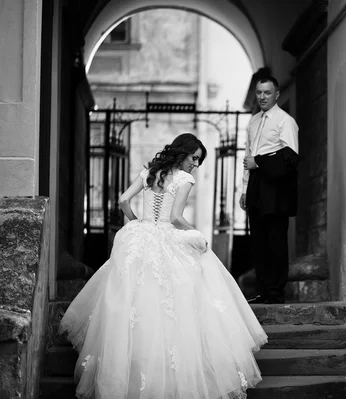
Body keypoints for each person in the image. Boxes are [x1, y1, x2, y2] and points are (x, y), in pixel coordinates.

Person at [59, 133, 267, 399]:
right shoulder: (183, 179)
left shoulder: (149, 172)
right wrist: (198, 235)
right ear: (184, 152)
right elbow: (177, 218)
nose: (195, 165)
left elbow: (123, 200)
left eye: (198, 162)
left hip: (140, 237)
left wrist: (137, 222)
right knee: (177, 299)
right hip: (166, 238)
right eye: (194, 158)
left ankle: (129, 370)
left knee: (133, 302)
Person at [240, 76, 299, 304]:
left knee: (275, 241)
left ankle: (276, 293)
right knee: (258, 242)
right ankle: (263, 290)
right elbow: (248, 157)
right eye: (259, 93)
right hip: (255, 185)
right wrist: (244, 189)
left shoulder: (286, 122)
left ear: (276, 95)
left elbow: (290, 158)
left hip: (276, 188)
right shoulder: (253, 121)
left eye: (267, 93)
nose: (262, 97)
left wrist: (260, 163)